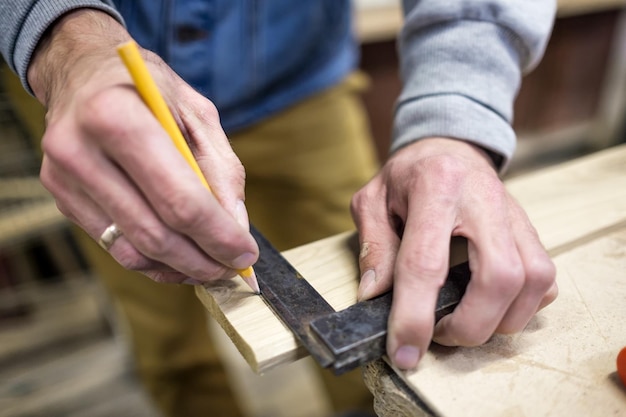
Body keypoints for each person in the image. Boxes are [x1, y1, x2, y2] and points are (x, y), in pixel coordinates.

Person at [0, 0, 559, 416]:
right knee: (168, 335)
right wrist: (63, 40)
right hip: (99, 100)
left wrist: (454, 117)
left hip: (300, 81)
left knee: (373, 285)